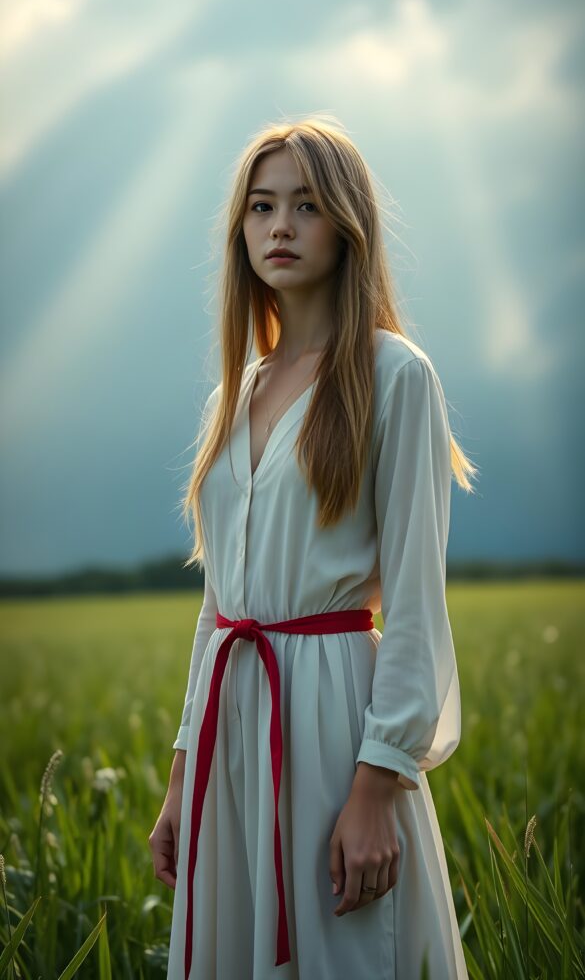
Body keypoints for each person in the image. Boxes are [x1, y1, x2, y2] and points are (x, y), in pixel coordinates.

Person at [149, 115, 477, 980]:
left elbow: (414, 603)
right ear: (240, 230)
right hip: (231, 728)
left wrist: (377, 785)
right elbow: (219, 607)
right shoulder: (235, 392)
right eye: (261, 207)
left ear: (347, 224)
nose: (281, 227)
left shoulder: (394, 375)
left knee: (341, 951)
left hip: (335, 727)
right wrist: (183, 773)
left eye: (306, 205)